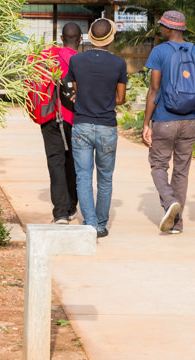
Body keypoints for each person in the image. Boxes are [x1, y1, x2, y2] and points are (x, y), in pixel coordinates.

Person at [141, 10, 195, 234]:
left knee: (159, 165)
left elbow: (154, 89)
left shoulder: (159, 51)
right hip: (189, 121)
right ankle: (177, 224)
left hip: (164, 119)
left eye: (162, 26)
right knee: (181, 171)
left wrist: (146, 123)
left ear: (169, 29)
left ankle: (169, 201)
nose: (160, 29)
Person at [65, 18, 128, 239]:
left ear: (90, 36)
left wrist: (82, 97)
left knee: (83, 177)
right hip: (106, 127)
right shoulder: (119, 63)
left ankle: (89, 222)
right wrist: (107, 98)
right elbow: (120, 98)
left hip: (81, 124)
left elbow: (74, 89)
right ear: (111, 38)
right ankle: (101, 225)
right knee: (105, 178)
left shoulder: (76, 60)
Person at [39, 23, 81, 224]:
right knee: (72, 161)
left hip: (49, 116)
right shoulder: (80, 61)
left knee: (55, 162)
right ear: (80, 40)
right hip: (73, 118)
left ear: (62, 38)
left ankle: (60, 213)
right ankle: (71, 206)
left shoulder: (48, 57)